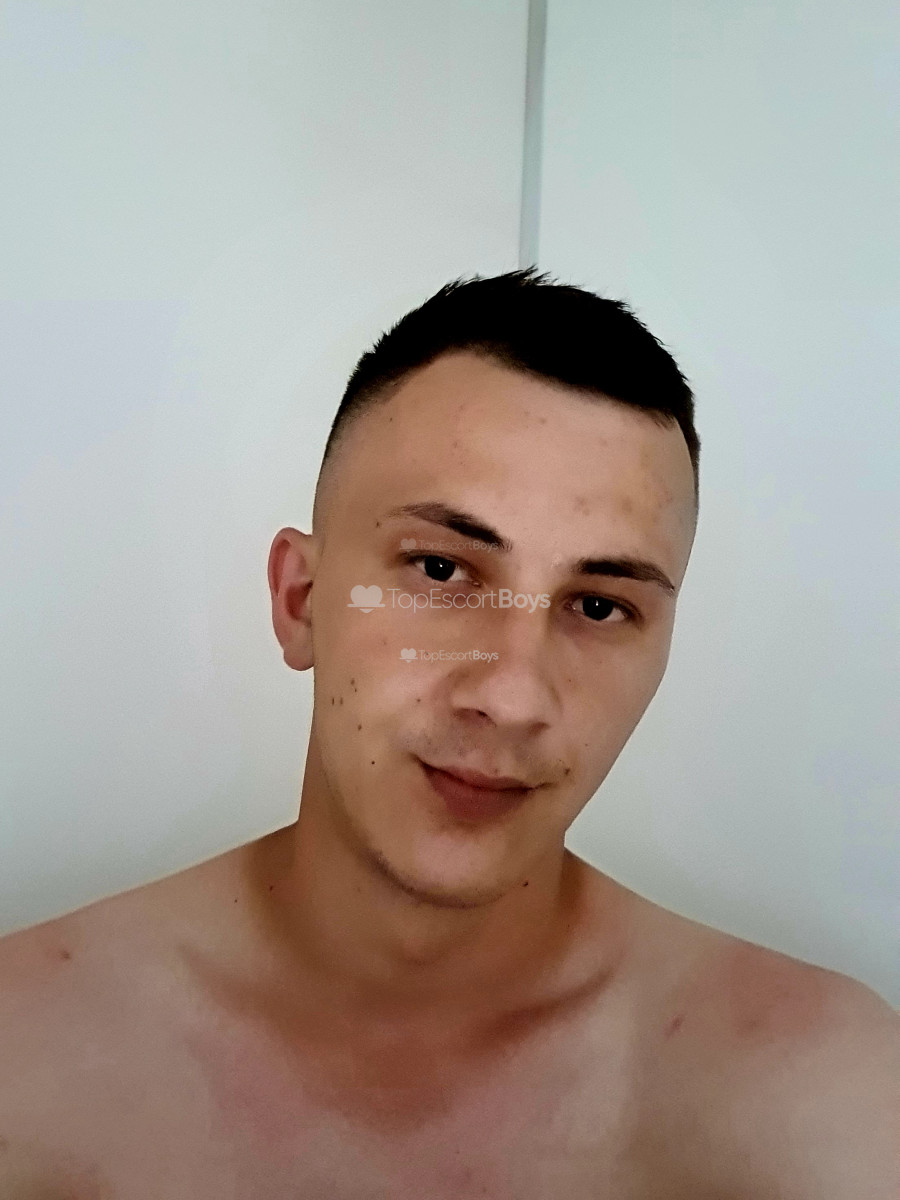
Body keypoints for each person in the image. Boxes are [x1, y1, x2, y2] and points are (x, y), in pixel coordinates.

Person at [0, 269, 896, 1198]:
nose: (511, 698)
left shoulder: (821, 1100)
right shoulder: (26, 1068)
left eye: (598, 605)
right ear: (301, 601)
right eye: (439, 569)